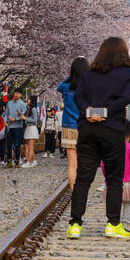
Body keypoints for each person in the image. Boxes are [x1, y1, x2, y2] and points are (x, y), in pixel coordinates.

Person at [67, 37, 130, 240]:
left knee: (83, 178)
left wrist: (90, 111)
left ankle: (75, 225)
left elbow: (78, 97)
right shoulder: (128, 75)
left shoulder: (89, 75)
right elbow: (125, 99)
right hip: (113, 129)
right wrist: (106, 112)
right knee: (115, 178)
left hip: (88, 129)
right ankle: (113, 224)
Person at [57, 57, 87, 189]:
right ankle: (82, 192)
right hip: (85, 127)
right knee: (84, 163)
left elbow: (59, 87)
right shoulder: (88, 86)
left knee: (72, 164)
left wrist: (70, 77)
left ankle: (75, 192)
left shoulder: (65, 86)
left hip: (69, 127)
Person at [21, 96, 40, 167]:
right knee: (29, 146)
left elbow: (35, 120)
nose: (27, 100)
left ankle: (28, 162)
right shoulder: (29, 109)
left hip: (32, 128)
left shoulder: (34, 109)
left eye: (29, 99)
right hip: (28, 128)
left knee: (30, 147)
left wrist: (26, 118)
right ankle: (34, 161)